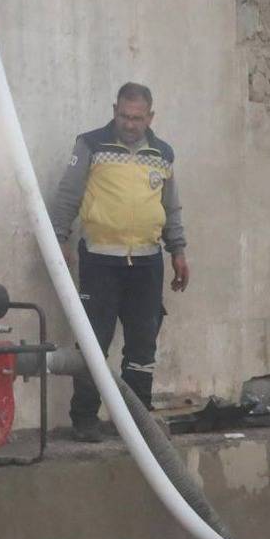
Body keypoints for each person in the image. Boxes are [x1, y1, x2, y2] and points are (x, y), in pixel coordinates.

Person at [47, 83, 190, 442]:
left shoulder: (163, 153)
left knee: (143, 343)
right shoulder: (91, 145)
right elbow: (68, 194)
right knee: (93, 342)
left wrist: (178, 250)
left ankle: (137, 422)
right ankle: (84, 418)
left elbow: (171, 206)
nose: (129, 124)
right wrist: (59, 239)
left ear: (150, 117)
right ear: (115, 111)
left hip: (147, 262)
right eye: (124, 116)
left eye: (137, 118)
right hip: (100, 260)